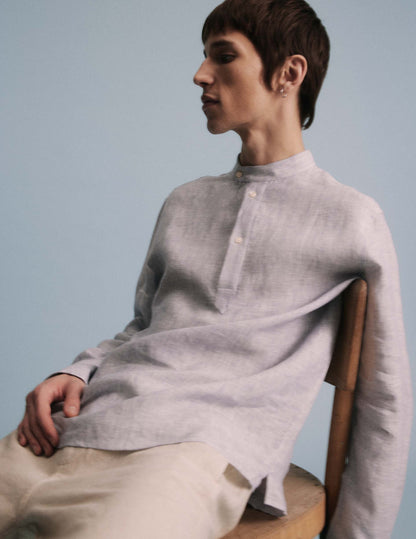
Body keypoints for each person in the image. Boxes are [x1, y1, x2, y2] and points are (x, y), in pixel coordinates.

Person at [0, 0, 412, 537]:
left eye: (224, 56)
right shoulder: (184, 202)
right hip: (71, 430)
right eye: (204, 57)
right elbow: (144, 328)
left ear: (289, 73)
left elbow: (385, 399)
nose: (200, 75)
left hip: (189, 456)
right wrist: (75, 372)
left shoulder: (350, 218)